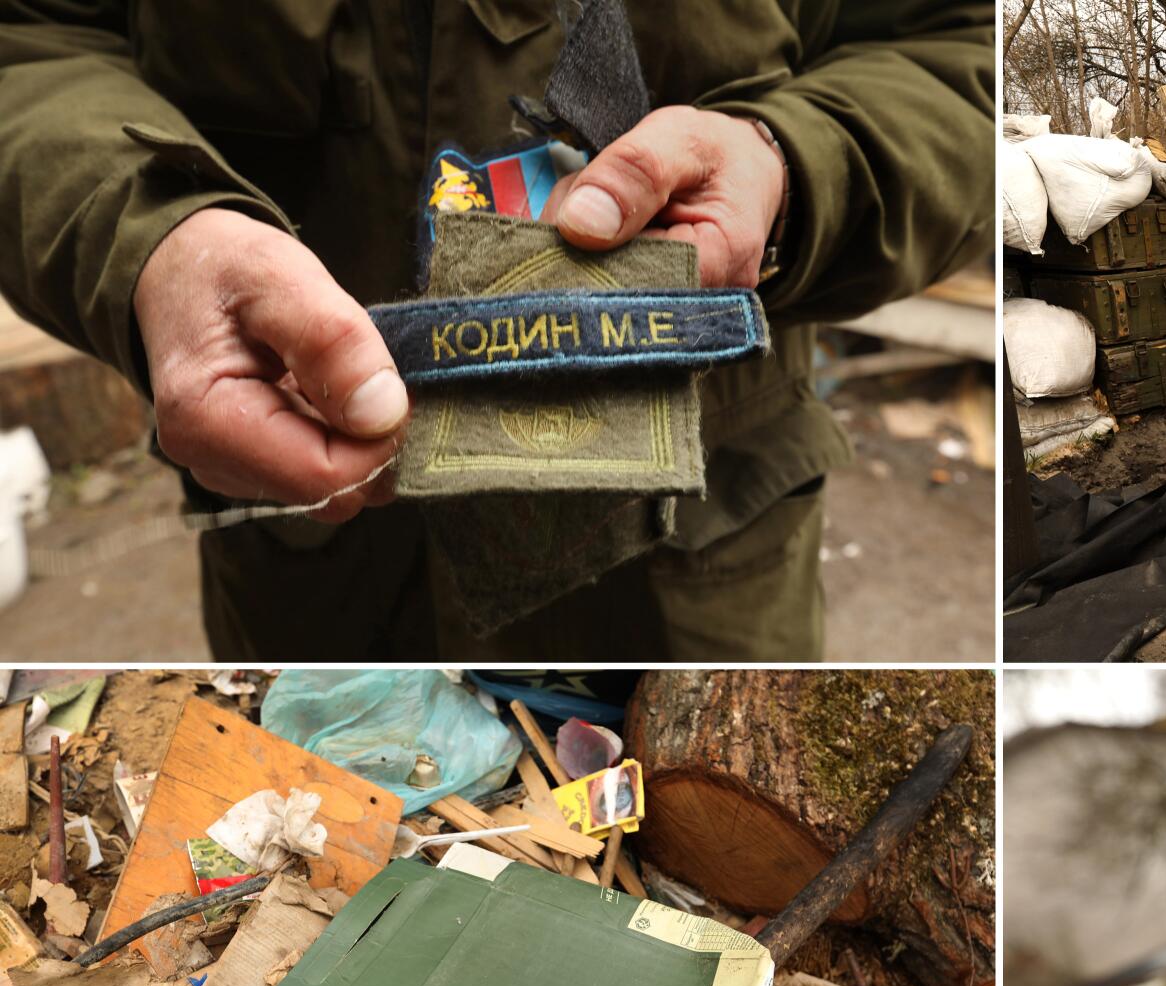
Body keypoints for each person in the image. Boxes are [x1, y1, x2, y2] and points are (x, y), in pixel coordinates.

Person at [0, 1, 995, 658]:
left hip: (691, 579)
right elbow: (30, 41)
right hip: (311, 568)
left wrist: (792, 165)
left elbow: (956, 49)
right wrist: (149, 240)